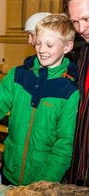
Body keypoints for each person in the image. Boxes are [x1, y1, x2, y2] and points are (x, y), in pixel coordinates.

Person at [0, 14, 80, 186]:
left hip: (42, 180)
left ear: (67, 46)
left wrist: (45, 183)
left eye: (49, 45)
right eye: (38, 43)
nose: (41, 49)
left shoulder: (69, 91)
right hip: (11, 170)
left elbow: (65, 144)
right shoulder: (18, 75)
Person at [65, 0, 89, 186]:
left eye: (86, 18)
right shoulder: (83, 55)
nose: (80, 28)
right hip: (80, 165)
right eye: (75, 21)